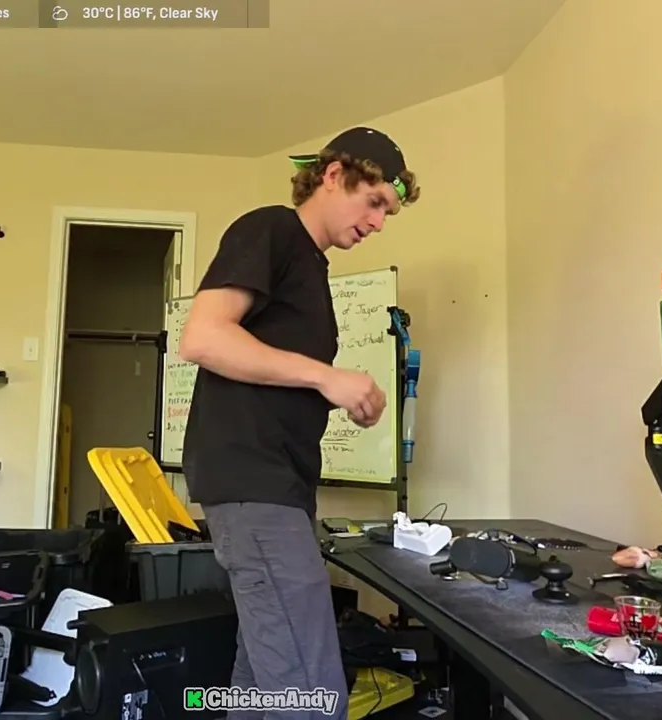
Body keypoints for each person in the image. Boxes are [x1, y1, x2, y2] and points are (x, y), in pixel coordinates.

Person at [178, 127, 420, 719]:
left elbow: (272, 372)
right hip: (255, 486)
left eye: (387, 212)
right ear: (333, 175)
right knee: (312, 696)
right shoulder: (272, 229)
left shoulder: (312, 269)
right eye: (374, 202)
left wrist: (335, 392)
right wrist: (326, 377)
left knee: (263, 683)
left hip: (275, 490)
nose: (378, 222)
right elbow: (203, 336)